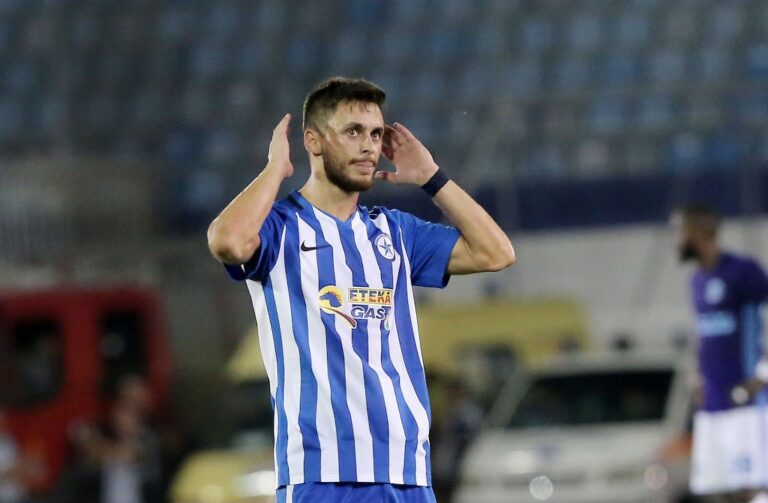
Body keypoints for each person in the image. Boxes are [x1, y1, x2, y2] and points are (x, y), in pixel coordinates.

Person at [207, 77, 515, 503]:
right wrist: (275, 171)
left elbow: (495, 253)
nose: (369, 146)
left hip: (406, 472)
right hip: (323, 474)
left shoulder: (394, 231)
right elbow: (227, 242)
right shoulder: (280, 228)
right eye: (353, 132)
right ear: (313, 141)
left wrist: (431, 177)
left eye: (374, 134)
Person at [672, 203, 768, 503]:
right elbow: (704, 334)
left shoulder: (743, 271)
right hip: (712, 403)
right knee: (720, 489)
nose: (676, 240)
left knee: (753, 487)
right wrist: (697, 376)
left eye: (680, 231)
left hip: (746, 400)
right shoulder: (697, 280)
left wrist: (762, 375)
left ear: (702, 231)